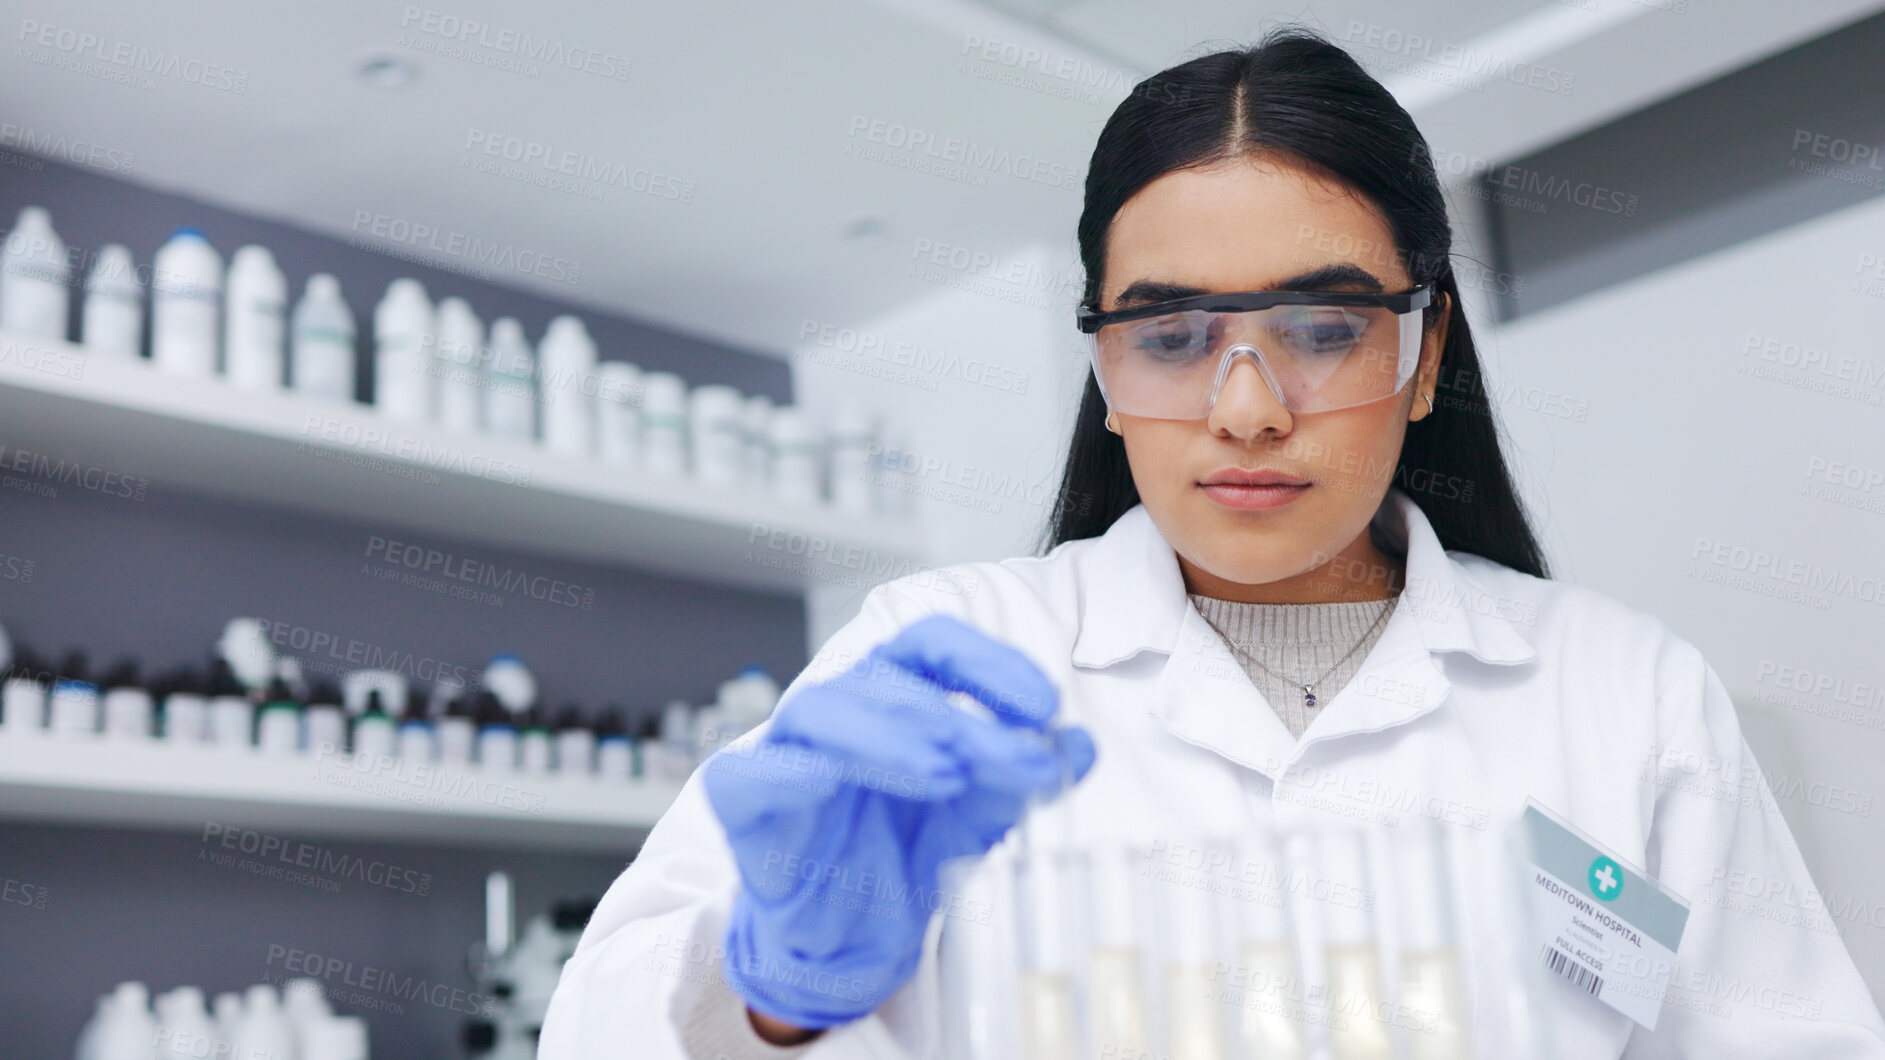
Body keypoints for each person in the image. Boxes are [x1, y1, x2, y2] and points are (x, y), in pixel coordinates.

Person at [539, 27, 1885, 1059]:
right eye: (1170, 334)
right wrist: (775, 1004)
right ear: (1106, 369)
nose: (1246, 409)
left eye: (1321, 325)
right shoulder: (936, 657)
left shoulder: (1617, 692)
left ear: (1422, 358)